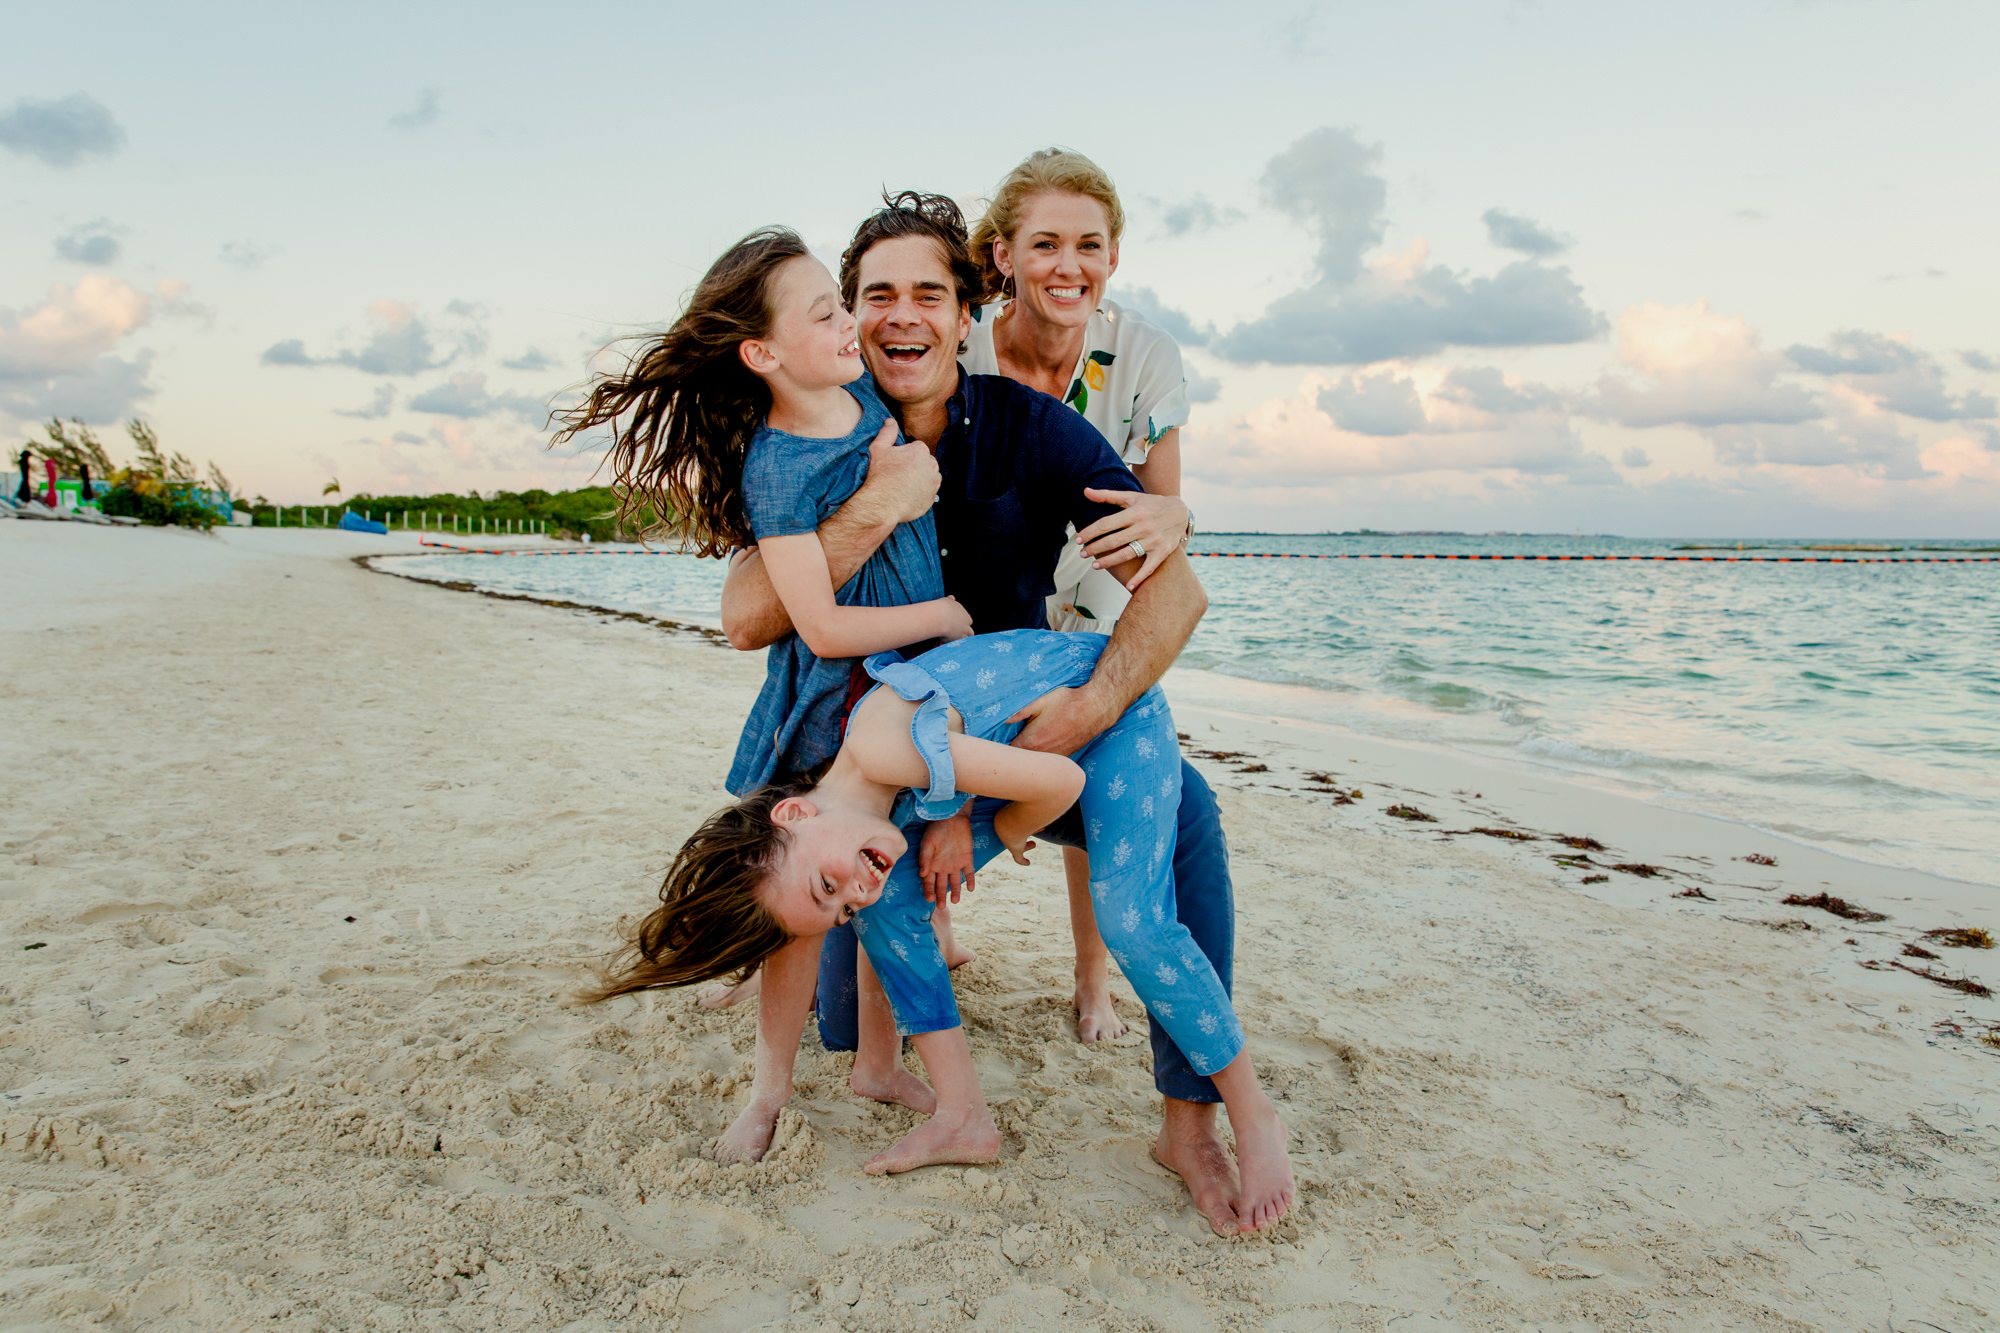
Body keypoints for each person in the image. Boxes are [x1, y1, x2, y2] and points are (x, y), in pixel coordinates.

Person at [720, 193, 1274, 1235]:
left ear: (965, 312)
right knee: (850, 1007)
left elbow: (1177, 591)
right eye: (874, 295)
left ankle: (1191, 1120)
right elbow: (746, 614)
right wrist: (878, 503)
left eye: (928, 293)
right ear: (846, 314)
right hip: (875, 750)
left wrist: (1092, 700)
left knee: (1188, 826)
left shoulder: (1026, 427)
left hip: (1013, 738)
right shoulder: (819, 430)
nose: (900, 316)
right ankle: (803, 1075)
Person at [588, 629, 1295, 1233]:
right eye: (835, 907)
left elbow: (1058, 784)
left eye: (828, 886)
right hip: (1021, 757)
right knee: (890, 907)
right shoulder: (847, 824)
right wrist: (764, 1100)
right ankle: (963, 1115)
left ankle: (1253, 1112)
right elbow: (794, 943)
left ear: (795, 815)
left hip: (1109, 712)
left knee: (1131, 919)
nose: (850, 893)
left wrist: (1003, 832)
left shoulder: (884, 752)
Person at [548, 225, 972, 805]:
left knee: (914, 846)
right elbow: (821, 630)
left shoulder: (861, 389)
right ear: (763, 353)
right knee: (836, 836)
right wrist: (940, 616)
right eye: (826, 316)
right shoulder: (777, 468)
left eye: (843, 306)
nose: (850, 323)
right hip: (849, 691)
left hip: (916, 667)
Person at [961, 147, 1194, 1043]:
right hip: (982, 550)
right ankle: (935, 922)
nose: (1070, 266)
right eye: (1046, 243)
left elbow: (1159, 517)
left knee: (1090, 737)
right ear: (1004, 257)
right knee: (960, 733)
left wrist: (1178, 514)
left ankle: (1092, 976)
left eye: (1089, 245)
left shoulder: (1142, 355)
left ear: (1115, 256)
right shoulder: (966, 342)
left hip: (1097, 562)